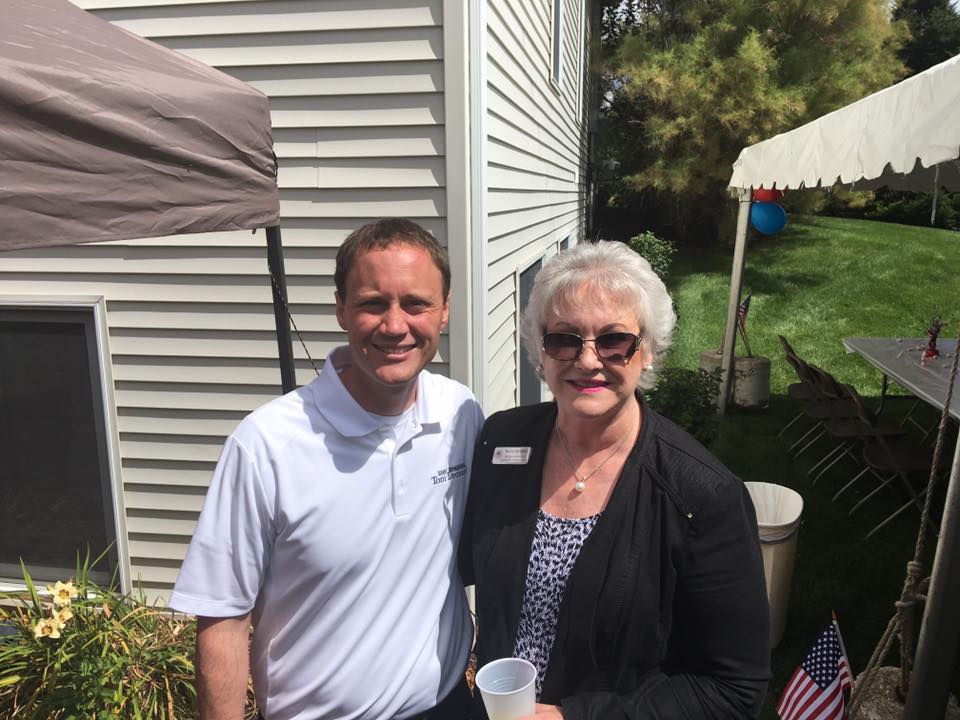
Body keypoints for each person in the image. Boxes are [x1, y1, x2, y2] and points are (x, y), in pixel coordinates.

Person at [169, 218, 484, 720]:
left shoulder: (460, 415)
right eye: (373, 303)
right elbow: (223, 616)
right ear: (341, 309)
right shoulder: (267, 444)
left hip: (447, 706)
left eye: (416, 304)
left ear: (445, 311)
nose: (396, 325)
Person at [460, 240, 770, 719]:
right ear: (540, 352)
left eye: (614, 341)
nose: (587, 361)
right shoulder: (502, 441)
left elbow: (732, 688)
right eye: (564, 338)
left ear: (647, 351)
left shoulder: (701, 495)